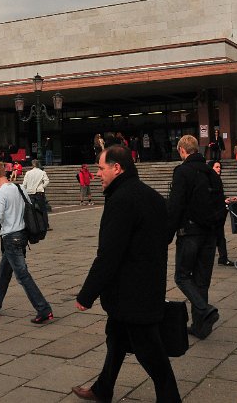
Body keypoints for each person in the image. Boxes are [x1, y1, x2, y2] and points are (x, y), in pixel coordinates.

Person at [72, 146, 181, 403]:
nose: (98, 174)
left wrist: (87, 294)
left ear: (117, 168)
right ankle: (103, 389)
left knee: (151, 354)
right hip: (147, 284)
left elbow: (109, 254)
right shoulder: (151, 196)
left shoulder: (122, 200)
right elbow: (166, 234)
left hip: (131, 292)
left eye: (101, 168)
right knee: (117, 339)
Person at [0, 161, 53, 324]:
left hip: (11, 238)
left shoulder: (0, 193)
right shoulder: (18, 188)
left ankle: (43, 309)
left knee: (22, 275)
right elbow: (27, 208)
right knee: (4, 272)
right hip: (22, 235)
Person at [167, 134, 221, 340]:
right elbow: (220, 204)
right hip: (210, 233)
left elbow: (176, 205)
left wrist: (168, 234)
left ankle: (204, 310)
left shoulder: (182, 172)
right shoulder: (211, 173)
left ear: (182, 150)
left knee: (181, 276)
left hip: (190, 232)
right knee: (201, 281)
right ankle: (200, 326)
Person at [209, 161, 236, 266]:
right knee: (215, 237)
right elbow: (210, 197)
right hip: (213, 214)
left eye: (220, 167)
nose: (219, 169)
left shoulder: (216, 180)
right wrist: (222, 201)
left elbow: (219, 196)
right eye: (217, 167)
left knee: (220, 236)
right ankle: (221, 258)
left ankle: (223, 258)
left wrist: (228, 199)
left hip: (219, 213)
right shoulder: (208, 181)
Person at [22, 160, 50, 229]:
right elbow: (47, 181)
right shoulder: (42, 172)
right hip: (39, 192)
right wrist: (42, 187)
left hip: (30, 192)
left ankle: (32, 225)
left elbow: (24, 184)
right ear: (38, 165)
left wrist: (24, 190)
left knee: (31, 210)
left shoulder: (28, 173)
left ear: (32, 165)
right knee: (43, 209)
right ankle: (45, 225)